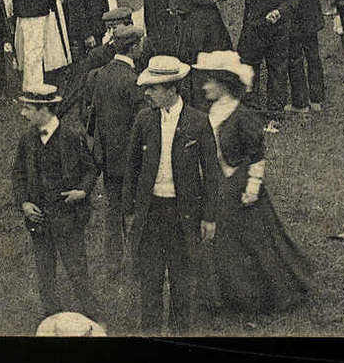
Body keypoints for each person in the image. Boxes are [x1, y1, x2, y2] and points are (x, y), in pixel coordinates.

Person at [194, 51, 312, 315]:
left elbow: (257, 156)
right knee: (219, 242)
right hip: (218, 185)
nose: (204, 87)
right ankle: (226, 294)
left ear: (223, 83)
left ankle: (261, 295)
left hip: (240, 187)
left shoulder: (243, 116)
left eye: (209, 82)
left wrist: (252, 187)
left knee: (254, 243)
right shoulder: (210, 111)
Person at [121, 55, 220, 334]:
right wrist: (130, 211)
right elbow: (132, 168)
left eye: (153, 88)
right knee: (150, 282)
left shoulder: (198, 122)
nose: (147, 94)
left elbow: (211, 174)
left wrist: (209, 217)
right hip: (151, 213)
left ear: (171, 89)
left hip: (183, 215)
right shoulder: (144, 120)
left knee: (181, 283)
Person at [12, 83, 103, 322]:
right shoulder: (27, 139)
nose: (23, 113)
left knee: (76, 268)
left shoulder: (72, 137)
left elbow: (91, 168)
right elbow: (18, 174)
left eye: (27, 109)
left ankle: (90, 314)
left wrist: (82, 191)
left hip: (67, 217)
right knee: (44, 270)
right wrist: (24, 203)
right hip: (39, 218)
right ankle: (50, 314)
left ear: (44, 110)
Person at [83, 23, 146, 261]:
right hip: (130, 158)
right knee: (136, 210)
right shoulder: (133, 80)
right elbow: (141, 123)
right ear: (134, 48)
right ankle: (137, 259)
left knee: (113, 210)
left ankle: (113, 262)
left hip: (107, 156)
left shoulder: (101, 73)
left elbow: (93, 116)